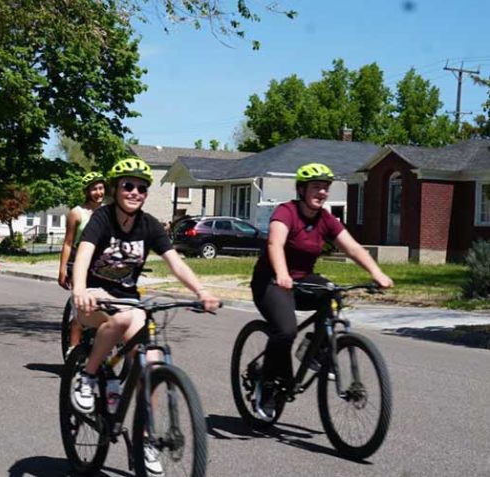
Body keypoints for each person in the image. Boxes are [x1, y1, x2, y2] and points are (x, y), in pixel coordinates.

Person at [71, 159, 221, 429]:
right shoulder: (101, 219)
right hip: (93, 296)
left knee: (151, 363)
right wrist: (79, 289)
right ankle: (88, 375)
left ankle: (148, 438)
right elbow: (83, 256)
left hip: (127, 299)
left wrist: (201, 291)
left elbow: (175, 263)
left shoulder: (149, 225)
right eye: (128, 185)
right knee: (120, 320)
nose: (134, 192)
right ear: (115, 189)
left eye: (142, 188)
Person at [250, 162, 394, 421]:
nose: (322, 192)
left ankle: (313, 351)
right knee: (285, 330)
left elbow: (353, 248)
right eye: (316, 187)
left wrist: (377, 273)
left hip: (303, 281)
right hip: (271, 282)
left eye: (326, 188)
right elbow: (275, 243)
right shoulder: (287, 212)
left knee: (333, 294)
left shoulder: (326, 219)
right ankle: (269, 387)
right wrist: (282, 274)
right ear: (302, 189)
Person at [58, 171, 106, 356]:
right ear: (87, 191)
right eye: (94, 189)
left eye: (101, 188)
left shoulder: (109, 211)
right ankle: (73, 350)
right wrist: (62, 269)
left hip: (102, 264)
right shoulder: (76, 213)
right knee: (81, 307)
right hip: (79, 263)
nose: (98, 192)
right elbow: (68, 242)